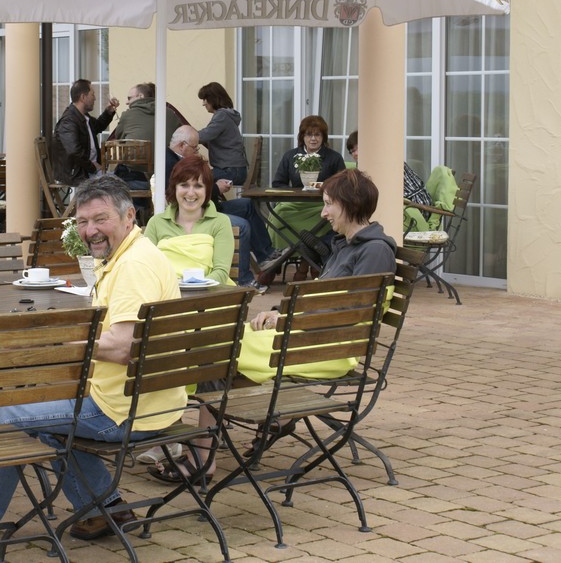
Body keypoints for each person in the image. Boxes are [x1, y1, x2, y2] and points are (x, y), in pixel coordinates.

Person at [0, 175, 183, 542]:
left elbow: (122, 348)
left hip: (122, 410)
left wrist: (62, 344)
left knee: (10, 415)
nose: (90, 230)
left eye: (100, 219)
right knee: (46, 415)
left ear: (129, 216)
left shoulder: (133, 266)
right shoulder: (136, 254)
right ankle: (103, 510)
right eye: (83, 221)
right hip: (150, 401)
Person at [150, 169, 397, 484]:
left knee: (216, 351)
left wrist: (288, 319)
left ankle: (202, 456)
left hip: (330, 347)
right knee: (212, 341)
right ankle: (256, 425)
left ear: (349, 204)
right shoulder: (346, 245)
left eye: (328, 204)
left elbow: (352, 313)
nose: (323, 213)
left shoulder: (374, 250)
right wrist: (280, 312)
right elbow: (321, 297)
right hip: (309, 336)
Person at [166, 126, 280, 287]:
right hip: (199, 212)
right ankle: (243, 280)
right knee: (242, 226)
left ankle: (265, 256)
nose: (197, 151)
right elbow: (189, 194)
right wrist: (216, 188)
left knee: (247, 205)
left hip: (210, 205)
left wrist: (214, 184)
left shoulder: (180, 159)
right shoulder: (170, 163)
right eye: (195, 148)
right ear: (182, 146)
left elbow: (199, 185)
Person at [269, 115, 348, 281]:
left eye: (317, 134)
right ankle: (280, 254)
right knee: (279, 214)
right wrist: (296, 192)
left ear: (323, 137)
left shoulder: (334, 157)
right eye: (309, 134)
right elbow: (278, 184)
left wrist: (325, 190)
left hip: (321, 206)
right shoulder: (290, 156)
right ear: (302, 137)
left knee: (332, 216)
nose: (313, 139)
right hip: (294, 205)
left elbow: (343, 186)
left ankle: (308, 260)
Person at [146, 155, 234, 285]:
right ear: (175, 188)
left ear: (207, 189)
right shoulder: (156, 223)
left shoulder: (221, 222)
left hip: (209, 293)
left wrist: (192, 287)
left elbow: (221, 272)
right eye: (184, 185)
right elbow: (146, 268)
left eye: (198, 186)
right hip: (165, 293)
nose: (191, 193)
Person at [347, 130, 433, 219]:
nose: (354, 154)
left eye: (357, 148)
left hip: (415, 205)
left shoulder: (382, 159)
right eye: (352, 151)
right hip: (401, 203)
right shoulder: (364, 162)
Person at [51, 79, 119, 185]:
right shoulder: (68, 121)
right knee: (117, 185)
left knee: (122, 180)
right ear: (83, 97)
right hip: (78, 173)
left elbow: (98, 126)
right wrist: (93, 167)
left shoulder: (83, 116)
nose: (95, 98)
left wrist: (109, 111)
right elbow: (74, 151)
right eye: (92, 94)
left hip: (89, 170)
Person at [196, 82, 249, 185]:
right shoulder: (226, 115)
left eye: (205, 99)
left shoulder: (222, 115)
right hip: (236, 170)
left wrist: (185, 136)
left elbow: (203, 136)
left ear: (213, 99)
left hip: (231, 171)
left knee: (195, 179)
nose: (203, 104)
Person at [114, 82, 181, 162]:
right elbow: (181, 136)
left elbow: (120, 139)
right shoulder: (169, 113)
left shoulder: (127, 115)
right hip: (165, 165)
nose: (126, 102)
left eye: (129, 98)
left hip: (136, 166)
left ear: (141, 96)